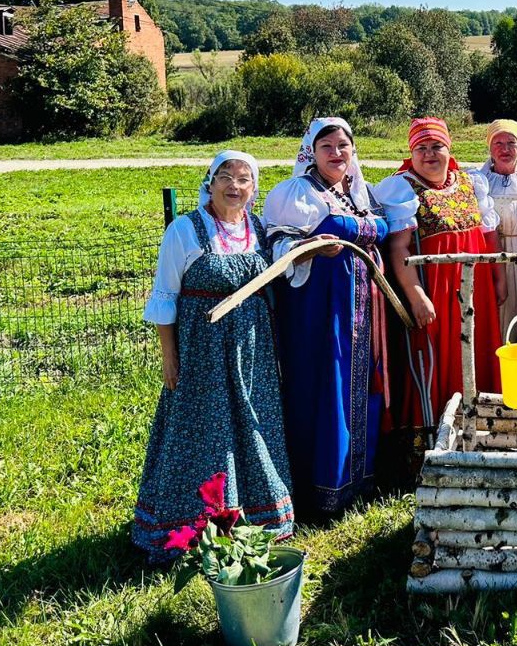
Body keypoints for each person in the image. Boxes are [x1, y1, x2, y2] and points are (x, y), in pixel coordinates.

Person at [133, 151, 293, 560]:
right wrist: (170, 357)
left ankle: (259, 516)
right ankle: (190, 526)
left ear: (253, 188)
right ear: (210, 181)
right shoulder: (185, 231)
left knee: (253, 425)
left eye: (243, 179)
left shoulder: (259, 229)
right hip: (202, 349)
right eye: (225, 177)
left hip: (252, 348)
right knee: (204, 430)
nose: (234, 186)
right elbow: (165, 298)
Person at [263, 118, 390, 518]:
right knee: (324, 384)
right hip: (317, 308)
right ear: (311, 154)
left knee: (360, 384)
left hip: (362, 307)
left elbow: (380, 229)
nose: (337, 153)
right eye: (327, 147)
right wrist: (310, 247)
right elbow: (277, 246)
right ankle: (321, 488)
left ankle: (359, 479)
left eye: (343, 146)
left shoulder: (360, 193)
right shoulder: (297, 192)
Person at [376, 117, 505, 431]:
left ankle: (483, 426)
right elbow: (399, 249)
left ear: (449, 149)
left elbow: (489, 235)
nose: (429, 154)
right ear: (411, 152)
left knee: (478, 350)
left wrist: (499, 278)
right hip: (438, 291)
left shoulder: (470, 181)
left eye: (437, 146)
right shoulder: (403, 187)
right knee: (442, 357)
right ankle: (439, 430)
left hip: (478, 289)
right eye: (421, 148)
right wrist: (416, 295)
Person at [469, 119, 517, 334]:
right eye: (498, 143)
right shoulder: (477, 178)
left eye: (511, 143)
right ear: (489, 146)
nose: (505, 149)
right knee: (491, 318)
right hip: (489, 255)